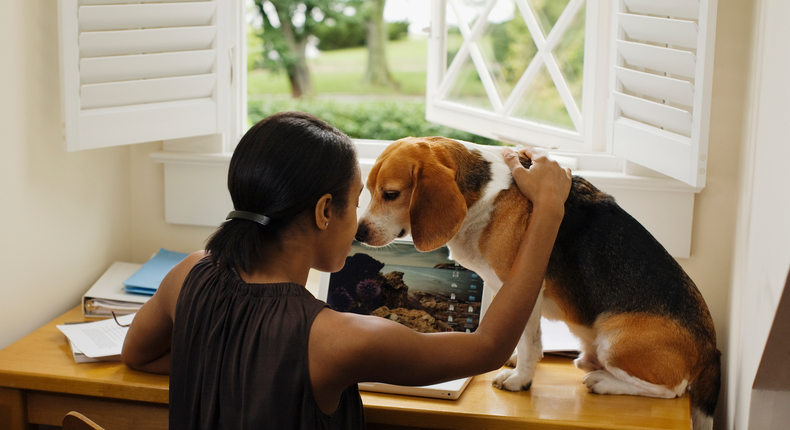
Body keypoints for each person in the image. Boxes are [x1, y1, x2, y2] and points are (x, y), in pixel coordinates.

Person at [121, 111, 572, 429]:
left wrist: (237, 367)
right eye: (357, 201)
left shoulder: (188, 273)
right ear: (323, 212)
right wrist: (549, 207)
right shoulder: (338, 339)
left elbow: (136, 355)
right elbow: (490, 348)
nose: (360, 221)